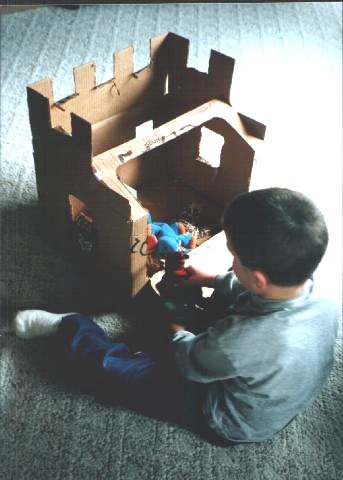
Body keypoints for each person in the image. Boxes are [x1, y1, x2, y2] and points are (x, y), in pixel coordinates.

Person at [14, 187, 339, 445]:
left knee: (120, 372)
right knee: (225, 299)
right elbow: (253, 293)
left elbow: (189, 360)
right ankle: (195, 313)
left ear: (257, 278)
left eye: (235, 257)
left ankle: (69, 326)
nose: (231, 261)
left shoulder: (241, 342)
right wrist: (212, 278)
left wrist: (177, 330)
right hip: (269, 379)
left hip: (226, 418)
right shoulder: (318, 290)